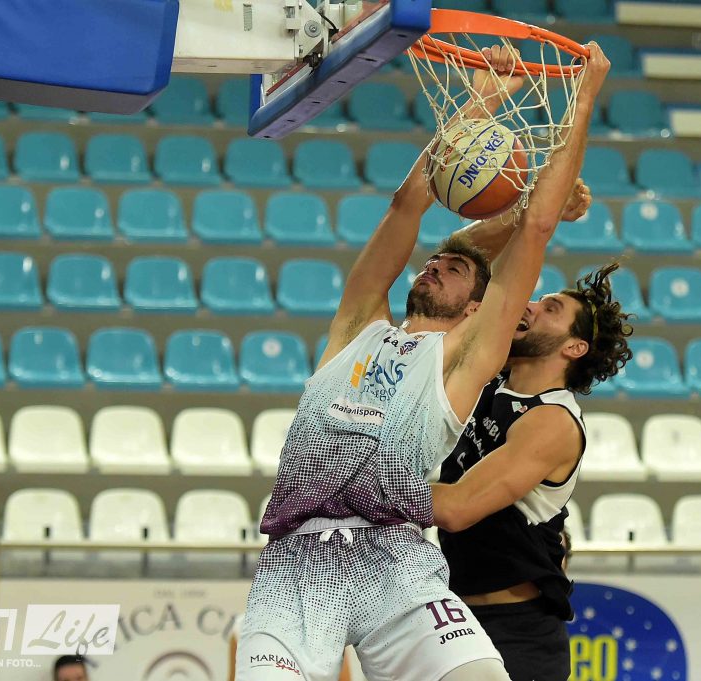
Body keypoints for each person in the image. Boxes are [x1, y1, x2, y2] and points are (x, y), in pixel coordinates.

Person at [236, 41, 611, 681]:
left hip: (397, 560)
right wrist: (480, 104)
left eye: (456, 267)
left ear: (479, 308)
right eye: (435, 261)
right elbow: (407, 204)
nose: (435, 262)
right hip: (298, 561)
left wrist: (584, 97)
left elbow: (536, 229)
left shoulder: (467, 359)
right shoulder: (358, 323)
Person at [428, 215, 633, 681]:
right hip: (453, 617)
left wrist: (359, 487)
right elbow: (459, 254)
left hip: (515, 632)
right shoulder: (488, 372)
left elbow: (457, 508)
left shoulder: (552, 420)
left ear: (574, 348)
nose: (531, 306)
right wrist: (524, 211)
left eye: (551, 308)